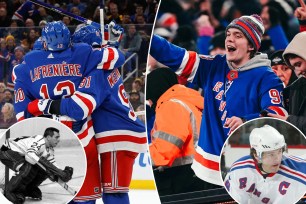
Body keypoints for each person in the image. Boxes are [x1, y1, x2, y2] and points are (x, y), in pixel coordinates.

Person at [149, 14, 287, 185]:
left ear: (251, 45)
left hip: (244, 172)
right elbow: (174, 55)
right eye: (229, 34)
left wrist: (247, 120)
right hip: (204, 170)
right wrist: (148, 37)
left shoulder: (267, 77)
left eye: (238, 36)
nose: (229, 40)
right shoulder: (213, 66)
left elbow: (278, 116)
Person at [13, 21, 125, 203]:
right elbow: (116, 58)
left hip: (50, 127)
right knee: (86, 195)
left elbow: (22, 111)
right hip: (81, 128)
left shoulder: (29, 62)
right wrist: (108, 44)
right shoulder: (82, 52)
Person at [70, 25, 147, 204]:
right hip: (118, 133)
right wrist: (112, 42)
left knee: (114, 194)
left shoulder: (96, 71)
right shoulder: (104, 62)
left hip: (117, 135)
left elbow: (83, 106)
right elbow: (109, 52)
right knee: (113, 192)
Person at [147, 68, 218, 195]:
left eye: (149, 96)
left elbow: (165, 150)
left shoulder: (171, 105)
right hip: (201, 173)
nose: (149, 102)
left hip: (182, 178)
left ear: (156, 89)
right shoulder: (190, 103)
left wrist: (140, 158)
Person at [224, 125, 306, 204]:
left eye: (279, 151)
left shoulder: (301, 175)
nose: (277, 158)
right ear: (256, 154)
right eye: (270, 154)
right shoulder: (238, 171)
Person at [0, 127, 73, 203]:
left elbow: (52, 165)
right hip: (7, 151)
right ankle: (9, 191)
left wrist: (61, 173)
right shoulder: (39, 140)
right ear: (48, 137)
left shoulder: (50, 150)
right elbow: (29, 156)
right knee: (27, 168)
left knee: (44, 171)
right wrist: (56, 171)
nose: (58, 140)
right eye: (56, 137)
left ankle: (28, 189)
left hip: (20, 154)